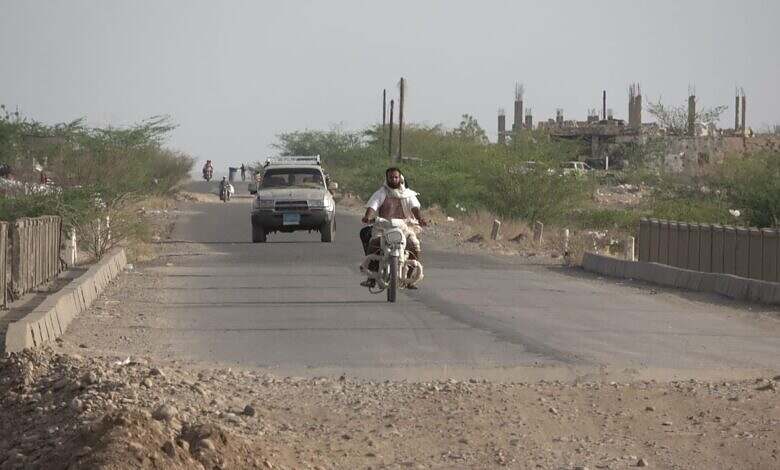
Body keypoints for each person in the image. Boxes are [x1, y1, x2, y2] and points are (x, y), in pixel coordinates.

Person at [360, 167, 427, 287]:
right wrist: (367, 216)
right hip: (384, 227)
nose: (393, 179)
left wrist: (419, 218)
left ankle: (409, 279)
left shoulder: (408, 194)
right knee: (373, 244)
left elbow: (415, 208)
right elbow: (372, 206)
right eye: (391, 177)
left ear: (400, 178)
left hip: (405, 228)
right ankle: (372, 278)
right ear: (387, 178)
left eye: (396, 177)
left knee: (414, 245)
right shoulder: (381, 193)